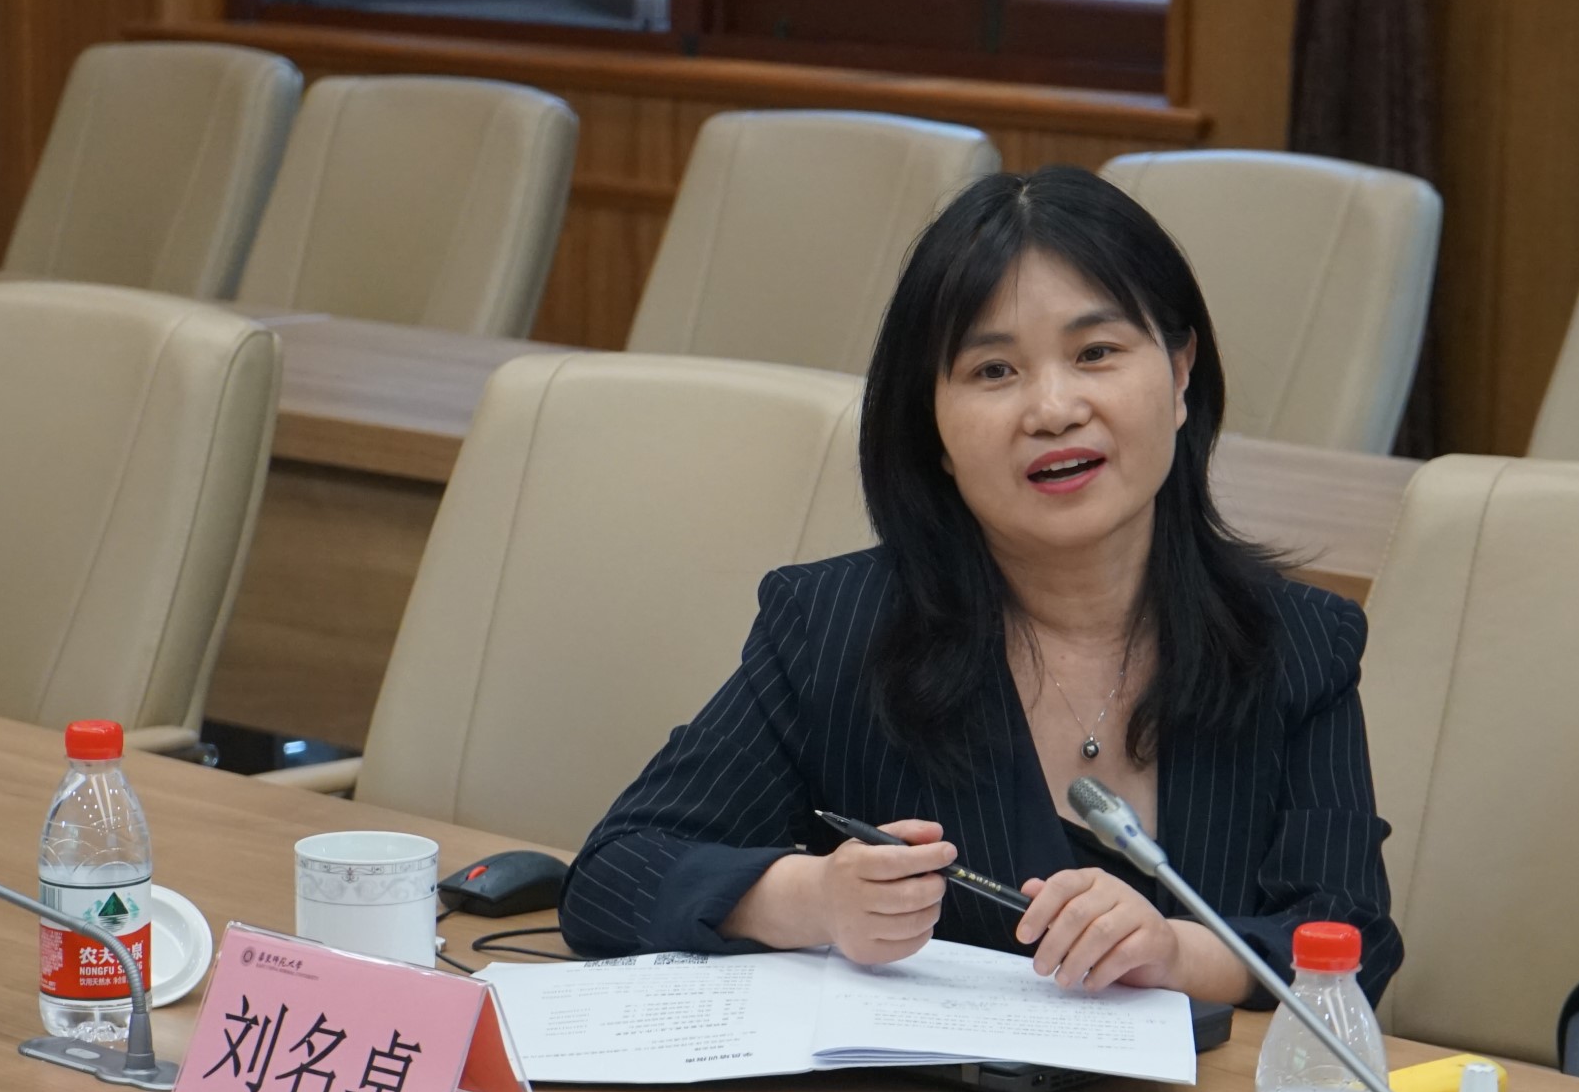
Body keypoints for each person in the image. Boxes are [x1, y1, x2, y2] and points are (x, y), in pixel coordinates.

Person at [560, 165, 1402, 1007]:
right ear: (931, 425)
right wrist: (812, 898)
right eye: (994, 370)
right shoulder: (835, 629)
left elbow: (1351, 939)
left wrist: (1176, 952)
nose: (1054, 409)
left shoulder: (1296, 644)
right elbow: (616, 873)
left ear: (1182, 374)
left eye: (1096, 353)